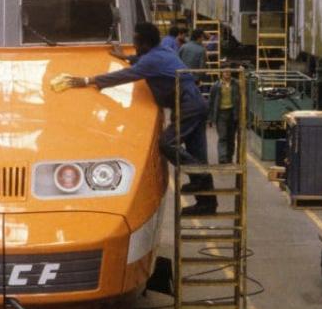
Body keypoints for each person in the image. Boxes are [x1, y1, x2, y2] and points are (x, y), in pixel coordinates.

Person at [63, 22, 216, 214]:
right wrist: (127, 57)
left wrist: (88, 80)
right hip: (194, 103)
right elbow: (145, 62)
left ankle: (200, 178)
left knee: (167, 144)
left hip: (189, 106)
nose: (134, 44)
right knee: (196, 154)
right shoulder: (162, 51)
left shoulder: (151, 60)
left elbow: (125, 75)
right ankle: (207, 203)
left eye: (136, 41)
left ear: (144, 44)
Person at [208, 69, 239, 164]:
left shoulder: (236, 84)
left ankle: (229, 157)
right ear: (222, 73)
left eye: (229, 71)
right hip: (221, 114)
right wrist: (211, 117)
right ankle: (222, 159)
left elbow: (241, 98)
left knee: (231, 138)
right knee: (223, 137)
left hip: (232, 113)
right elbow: (211, 102)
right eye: (225, 72)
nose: (227, 73)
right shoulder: (216, 86)